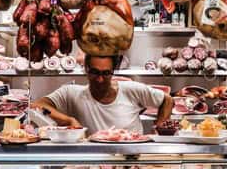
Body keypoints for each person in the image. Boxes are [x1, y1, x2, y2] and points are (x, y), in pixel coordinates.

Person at [31, 54, 173, 133]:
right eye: (95, 72)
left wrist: (159, 130)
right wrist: (68, 120)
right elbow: (38, 106)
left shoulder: (131, 90)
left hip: (129, 161)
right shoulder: (71, 94)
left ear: (112, 72)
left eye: (106, 73)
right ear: (86, 70)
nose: (100, 79)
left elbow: (167, 100)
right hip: (91, 164)